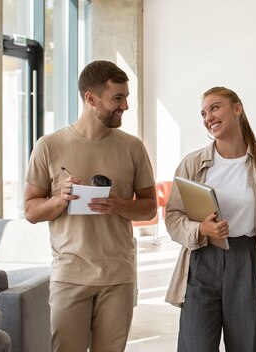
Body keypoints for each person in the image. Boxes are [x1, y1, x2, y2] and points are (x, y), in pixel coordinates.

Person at [24, 60, 157, 351]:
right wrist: (60, 199)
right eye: (117, 98)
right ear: (91, 98)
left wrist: (118, 205)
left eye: (126, 97)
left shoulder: (133, 147)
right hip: (70, 275)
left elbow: (150, 207)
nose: (125, 106)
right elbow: (31, 211)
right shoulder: (49, 145)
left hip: (118, 276)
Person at [165, 87, 256, 352]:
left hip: (247, 262)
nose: (208, 117)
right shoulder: (192, 163)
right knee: (194, 345)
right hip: (201, 259)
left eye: (215, 107)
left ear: (237, 108)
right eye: (203, 112)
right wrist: (200, 229)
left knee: (245, 346)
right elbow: (172, 217)